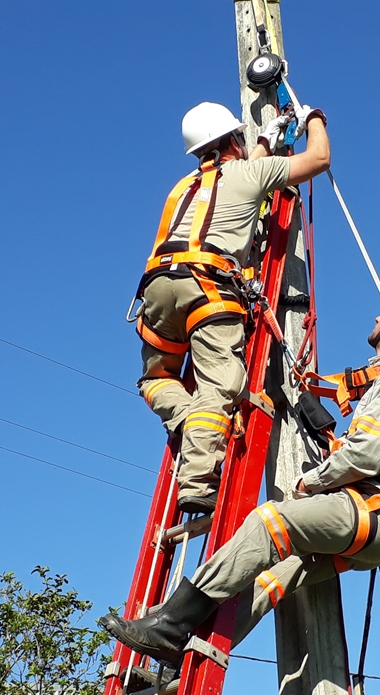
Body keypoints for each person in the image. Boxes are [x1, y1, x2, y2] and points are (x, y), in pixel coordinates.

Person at [105, 286, 380, 664]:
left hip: (374, 510)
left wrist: (310, 483)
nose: (376, 318)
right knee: (275, 578)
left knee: (268, 522)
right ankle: (191, 660)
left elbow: (364, 456)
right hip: (377, 515)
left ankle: (170, 625)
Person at [134, 101, 331, 514]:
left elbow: (239, 173)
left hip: (158, 290)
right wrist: (314, 119)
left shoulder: (183, 186)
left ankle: (190, 421)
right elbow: (318, 159)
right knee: (219, 386)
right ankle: (198, 477)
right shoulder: (250, 173)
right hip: (209, 291)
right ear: (231, 141)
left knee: (156, 380)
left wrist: (264, 139)